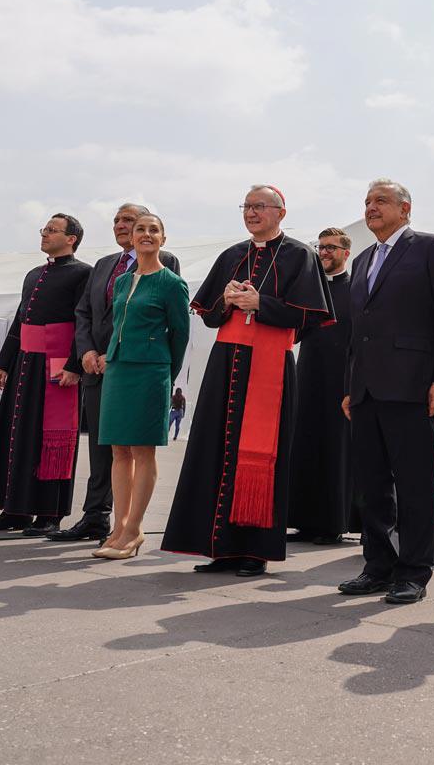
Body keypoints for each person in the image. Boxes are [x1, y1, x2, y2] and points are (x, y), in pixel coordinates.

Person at [161, 186, 333, 576]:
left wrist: (262, 304)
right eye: (246, 206)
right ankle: (219, 547)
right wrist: (225, 300)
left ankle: (254, 550)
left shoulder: (300, 255)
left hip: (269, 363)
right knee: (215, 449)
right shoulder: (231, 255)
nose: (251, 213)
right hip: (225, 362)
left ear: (280, 212)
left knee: (261, 455)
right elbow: (209, 316)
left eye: (259, 206)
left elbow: (309, 318)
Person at [338, 179, 434, 605]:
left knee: (414, 484)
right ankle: (377, 565)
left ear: (405, 209)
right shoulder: (363, 260)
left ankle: (413, 571)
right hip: (366, 390)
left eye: (381, 201)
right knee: (371, 486)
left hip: (411, 386)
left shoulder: (429, 248)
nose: (371, 208)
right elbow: (357, 331)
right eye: (367, 202)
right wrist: (350, 386)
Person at [51, 204, 181, 543]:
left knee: (137, 450)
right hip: (99, 368)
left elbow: (171, 331)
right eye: (119, 221)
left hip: (139, 368)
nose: (124, 226)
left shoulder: (166, 267)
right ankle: (98, 517)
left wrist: (157, 372)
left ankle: (129, 527)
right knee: (104, 449)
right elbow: (85, 313)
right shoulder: (107, 268)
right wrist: (87, 353)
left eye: (131, 221)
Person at [0, 215, 92, 535]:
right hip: (25, 363)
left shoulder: (83, 272)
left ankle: (50, 514)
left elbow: (85, 321)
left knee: (52, 439)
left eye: (52, 230)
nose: (44, 234)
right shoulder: (33, 274)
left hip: (58, 365)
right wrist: (3, 363)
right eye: (44, 229)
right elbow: (20, 320)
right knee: (17, 435)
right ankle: (15, 510)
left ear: (71, 239)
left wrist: (74, 365)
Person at [92, 213, 190, 560]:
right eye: (140, 230)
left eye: (153, 230)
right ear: (131, 238)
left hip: (150, 371)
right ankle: (118, 527)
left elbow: (180, 335)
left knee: (143, 451)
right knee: (119, 451)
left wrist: (165, 375)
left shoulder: (172, 283)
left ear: (163, 238)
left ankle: (134, 529)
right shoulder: (122, 282)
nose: (146, 234)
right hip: (118, 369)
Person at [287, 227, 359, 544]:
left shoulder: (356, 290)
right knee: (304, 445)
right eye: (321, 247)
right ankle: (303, 521)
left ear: (346, 253)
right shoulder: (309, 289)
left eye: (331, 247)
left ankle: (332, 525)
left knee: (336, 450)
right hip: (308, 375)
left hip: (342, 380)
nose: (325, 252)